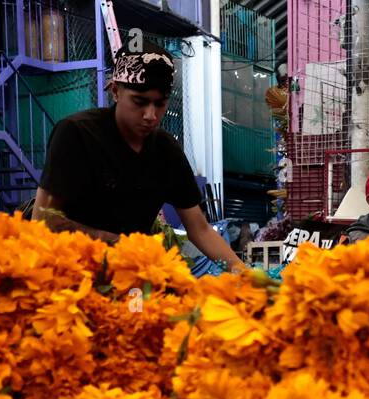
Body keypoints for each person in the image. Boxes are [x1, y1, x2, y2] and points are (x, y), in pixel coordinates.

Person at [32, 42, 244, 271]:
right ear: (115, 91)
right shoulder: (76, 134)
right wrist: (116, 242)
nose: (150, 115)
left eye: (160, 104)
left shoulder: (167, 151)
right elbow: (43, 220)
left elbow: (199, 229)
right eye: (139, 102)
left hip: (129, 275)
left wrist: (244, 274)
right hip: (66, 270)